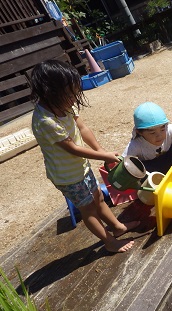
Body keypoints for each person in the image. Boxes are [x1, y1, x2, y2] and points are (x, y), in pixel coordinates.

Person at [30, 59, 139, 253]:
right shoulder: (45, 121)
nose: (74, 98)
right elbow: (72, 148)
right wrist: (102, 155)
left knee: (98, 199)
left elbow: (82, 127)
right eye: (69, 94)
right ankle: (109, 241)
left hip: (81, 167)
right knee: (88, 209)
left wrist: (101, 152)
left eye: (74, 93)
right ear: (50, 93)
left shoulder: (65, 104)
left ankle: (117, 227)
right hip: (67, 177)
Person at [122, 102, 172, 187]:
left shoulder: (169, 129)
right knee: (136, 167)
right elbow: (122, 163)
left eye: (162, 130)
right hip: (152, 171)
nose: (159, 136)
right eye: (152, 133)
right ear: (139, 132)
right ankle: (155, 184)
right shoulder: (136, 143)